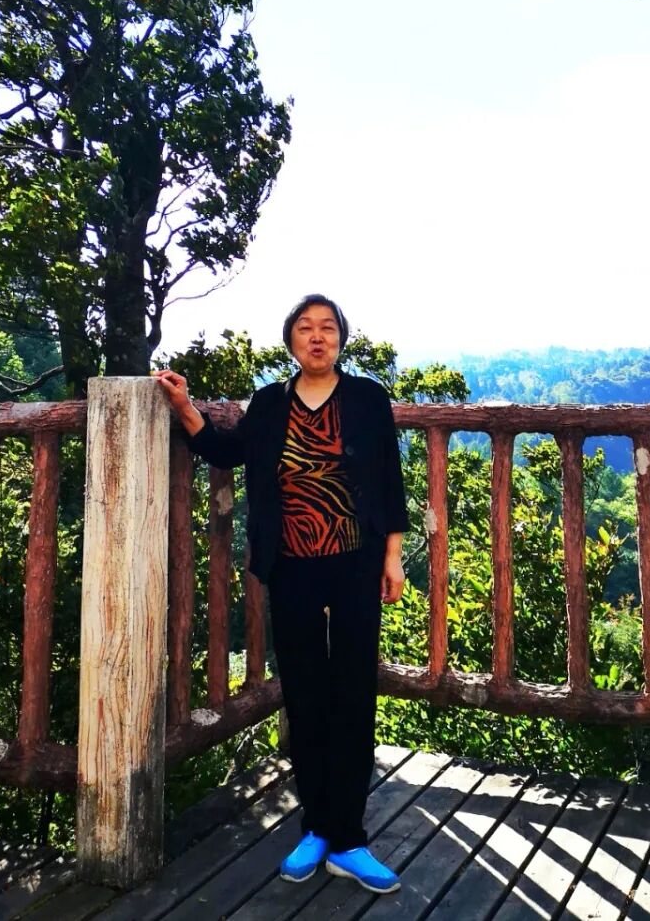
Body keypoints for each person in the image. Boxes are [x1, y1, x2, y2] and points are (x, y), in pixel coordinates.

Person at [153, 294, 408, 895]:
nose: (317, 337)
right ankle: (315, 827)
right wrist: (185, 407)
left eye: (328, 328)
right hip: (291, 565)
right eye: (305, 328)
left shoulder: (367, 398)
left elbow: (389, 479)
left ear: (341, 339)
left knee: (353, 692)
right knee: (304, 691)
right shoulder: (270, 402)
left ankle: (349, 839)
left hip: (356, 562)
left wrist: (392, 556)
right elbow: (226, 451)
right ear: (291, 340)